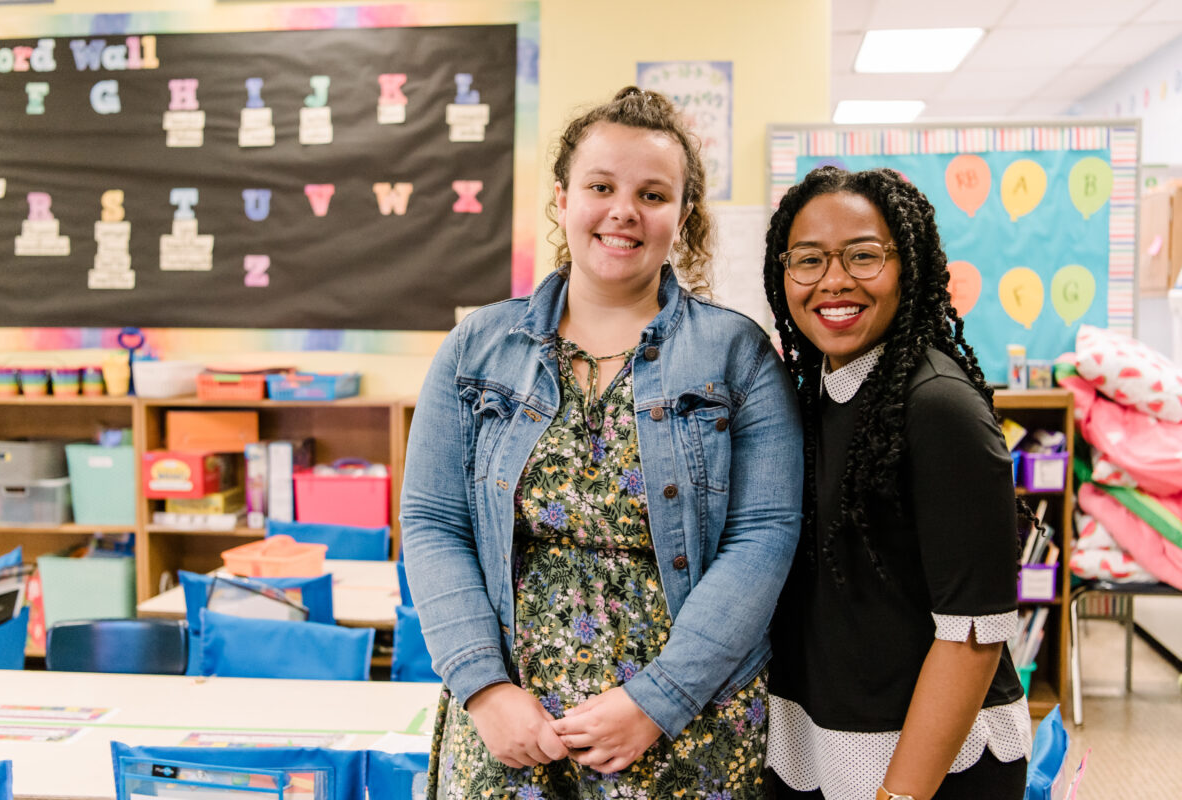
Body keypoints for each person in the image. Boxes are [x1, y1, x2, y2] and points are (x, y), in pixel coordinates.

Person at [400, 86, 803, 799]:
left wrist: (659, 700)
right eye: (600, 186)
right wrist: (483, 688)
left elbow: (763, 537)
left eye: (652, 194)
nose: (624, 210)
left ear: (682, 216)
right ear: (562, 199)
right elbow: (433, 524)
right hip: (511, 730)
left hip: (685, 725)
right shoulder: (476, 349)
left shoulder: (739, 356)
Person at [761, 167, 1033, 800]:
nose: (834, 280)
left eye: (863, 256)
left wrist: (899, 795)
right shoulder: (818, 393)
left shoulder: (938, 405)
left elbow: (972, 635)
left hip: (926, 766)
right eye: (809, 260)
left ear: (907, 266)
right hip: (823, 742)